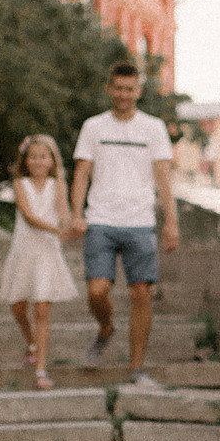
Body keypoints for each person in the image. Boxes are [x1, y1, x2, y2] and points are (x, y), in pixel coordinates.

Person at [70, 62, 177, 388]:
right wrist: (76, 214)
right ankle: (106, 328)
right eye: (118, 88)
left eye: (129, 89)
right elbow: (82, 173)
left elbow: (163, 177)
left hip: (140, 221)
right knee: (97, 290)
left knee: (141, 293)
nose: (123, 94)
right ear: (109, 89)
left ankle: (136, 368)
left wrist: (171, 222)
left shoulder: (153, 128)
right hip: (101, 219)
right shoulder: (93, 127)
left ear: (138, 92)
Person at [0, 134, 79, 389]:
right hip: (24, 250)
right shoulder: (20, 184)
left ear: (52, 161)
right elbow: (29, 216)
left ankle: (41, 370)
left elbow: (63, 212)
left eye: (44, 156)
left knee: (42, 308)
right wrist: (57, 230)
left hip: (46, 253)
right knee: (18, 307)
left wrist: (72, 224)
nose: (38, 161)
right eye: (33, 157)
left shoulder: (58, 185)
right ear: (25, 160)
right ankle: (31, 342)